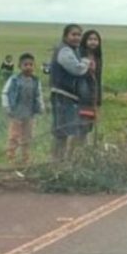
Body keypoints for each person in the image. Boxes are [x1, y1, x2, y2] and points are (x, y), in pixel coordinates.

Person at [50, 24, 93, 161]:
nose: (77, 38)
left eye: (79, 35)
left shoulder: (74, 50)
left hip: (69, 96)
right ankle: (56, 161)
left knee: (68, 130)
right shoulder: (65, 51)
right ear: (65, 36)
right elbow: (77, 69)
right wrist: (86, 62)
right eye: (73, 34)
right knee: (62, 131)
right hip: (62, 95)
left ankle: (62, 160)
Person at [1, 53, 44, 165]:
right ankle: (11, 157)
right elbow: (5, 92)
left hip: (29, 113)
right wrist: (7, 107)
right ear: (20, 66)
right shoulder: (14, 79)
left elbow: (38, 95)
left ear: (34, 66)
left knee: (28, 136)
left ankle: (25, 157)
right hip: (16, 112)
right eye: (25, 65)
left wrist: (41, 107)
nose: (28, 67)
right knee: (14, 136)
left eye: (31, 64)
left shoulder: (36, 80)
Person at [76, 29, 103, 143]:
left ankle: (83, 149)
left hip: (93, 95)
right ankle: (73, 151)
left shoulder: (97, 57)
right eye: (90, 39)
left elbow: (98, 78)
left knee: (88, 126)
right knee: (80, 126)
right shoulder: (79, 55)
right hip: (81, 95)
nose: (93, 42)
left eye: (95, 39)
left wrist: (98, 99)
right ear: (85, 41)